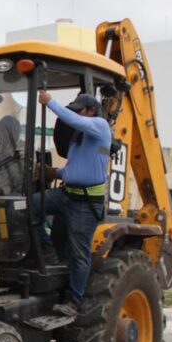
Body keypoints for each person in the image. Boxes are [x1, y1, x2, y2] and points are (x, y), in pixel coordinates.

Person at [35, 90, 112, 317]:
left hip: (85, 203)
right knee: (27, 207)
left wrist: (49, 102)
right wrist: (52, 172)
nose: (76, 115)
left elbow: (74, 120)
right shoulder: (79, 140)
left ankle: (74, 301)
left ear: (91, 111)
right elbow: (75, 170)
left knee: (80, 254)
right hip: (66, 195)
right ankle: (47, 250)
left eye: (79, 110)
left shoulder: (100, 126)